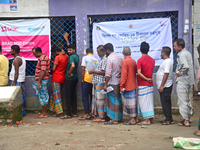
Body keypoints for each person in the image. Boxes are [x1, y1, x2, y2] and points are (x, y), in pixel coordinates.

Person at [174, 38, 194, 127]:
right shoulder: (187, 53)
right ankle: (186, 117)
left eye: (175, 46)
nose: (174, 48)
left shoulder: (181, 54)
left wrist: (180, 73)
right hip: (188, 80)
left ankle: (186, 120)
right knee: (186, 99)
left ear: (180, 46)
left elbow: (185, 66)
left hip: (182, 80)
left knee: (183, 100)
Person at [103, 43, 123, 125]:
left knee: (113, 100)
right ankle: (119, 117)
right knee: (118, 99)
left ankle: (114, 119)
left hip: (112, 83)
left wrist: (105, 84)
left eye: (105, 51)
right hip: (118, 82)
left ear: (107, 50)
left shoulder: (109, 59)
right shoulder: (119, 58)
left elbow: (108, 74)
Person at [137, 42, 155, 125]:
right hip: (150, 84)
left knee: (144, 102)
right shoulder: (152, 60)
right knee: (149, 101)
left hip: (143, 84)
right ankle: (150, 118)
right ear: (148, 50)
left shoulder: (140, 60)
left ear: (140, 50)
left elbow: (139, 73)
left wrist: (146, 79)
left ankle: (147, 119)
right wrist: (148, 79)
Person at [88, 45, 107, 122]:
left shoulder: (105, 59)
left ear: (103, 52)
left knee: (100, 101)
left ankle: (102, 117)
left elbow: (103, 72)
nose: (98, 54)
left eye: (98, 52)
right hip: (97, 82)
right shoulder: (102, 59)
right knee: (98, 100)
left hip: (101, 82)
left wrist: (93, 71)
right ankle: (100, 115)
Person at [60, 44, 79, 119]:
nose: (68, 51)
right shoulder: (76, 56)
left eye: (70, 50)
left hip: (70, 79)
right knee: (73, 95)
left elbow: (73, 65)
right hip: (75, 78)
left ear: (74, 50)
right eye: (68, 50)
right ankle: (74, 112)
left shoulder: (71, 57)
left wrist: (69, 73)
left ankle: (68, 114)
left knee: (68, 96)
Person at [156, 46, 173, 125]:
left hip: (165, 86)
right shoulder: (167, 61)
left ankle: (168, 119)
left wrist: (161, 86)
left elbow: (166, 74)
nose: (161, 54)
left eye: (161, 52)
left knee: (165, 103)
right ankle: (168, 118)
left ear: (163, 53)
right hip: (165, 85)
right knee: (166, 102)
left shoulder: (167, 62)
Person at [79, 48, 98, 120]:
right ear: (92, 52)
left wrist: (82, 78)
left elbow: (83, 68)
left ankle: (86, 113)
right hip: (93, 80)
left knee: (85, 97)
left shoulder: (85, 58)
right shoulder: (95, 59)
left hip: (86, 79)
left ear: (86, 53)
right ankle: (91, 112)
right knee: (92, 97)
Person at [50, 46, 69, 117]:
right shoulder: (66, 56)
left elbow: (54, 68)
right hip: (62, 77)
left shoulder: (57, 57)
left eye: (54, 54)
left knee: (56, 95)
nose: (54, 55)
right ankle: (55, 110)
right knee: (55, 94)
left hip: (56, 77)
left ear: (56, 52)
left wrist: (50, 70)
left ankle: (59, 112)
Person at [120, 47, 137, 125]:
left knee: (129, 103)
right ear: (130, 53)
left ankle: (132, 119)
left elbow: (124, 75)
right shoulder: (133, 61)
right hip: (133, 84)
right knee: (133, 102)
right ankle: (135, 118)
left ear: (123, 53)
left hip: (127, 85)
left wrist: (121, 86)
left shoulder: (125, 62)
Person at [32, 47, 50, 118]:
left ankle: (44, 113)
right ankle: (44, 112)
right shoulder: (43, 57)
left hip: (42, 80)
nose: (34, 55)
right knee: (42, 95)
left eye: (35, 54)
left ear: (39, 52)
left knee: (43, 95)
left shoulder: (42, 59)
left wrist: (39, 82)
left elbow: (43, 71)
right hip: (42, 80)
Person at [9, 45, 26, 116]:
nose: (10, 51)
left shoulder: (16, 60)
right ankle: (23, 112)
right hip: (20, 80)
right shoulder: (22, 58)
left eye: (11, 50)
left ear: (14, 51)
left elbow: (16, 72)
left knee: (17, 97)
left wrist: (14, 84)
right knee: (22, 96)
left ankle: (19, 113)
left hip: (17, 81)